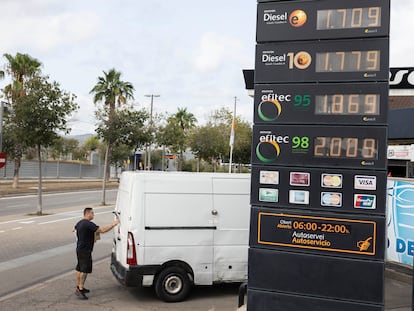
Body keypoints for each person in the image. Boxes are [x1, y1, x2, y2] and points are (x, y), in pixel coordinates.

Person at [74, 207, 119, 300]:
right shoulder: (88, 224)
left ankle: (79, 287)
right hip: (85, 250)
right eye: (92, 213)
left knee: (79, 268)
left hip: (79, 249)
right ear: (87, 214)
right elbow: (102, 230)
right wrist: (113, 224)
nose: (93, 215)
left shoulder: (80, 223)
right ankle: (80, 289)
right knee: (84, 270)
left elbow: (74, 229)